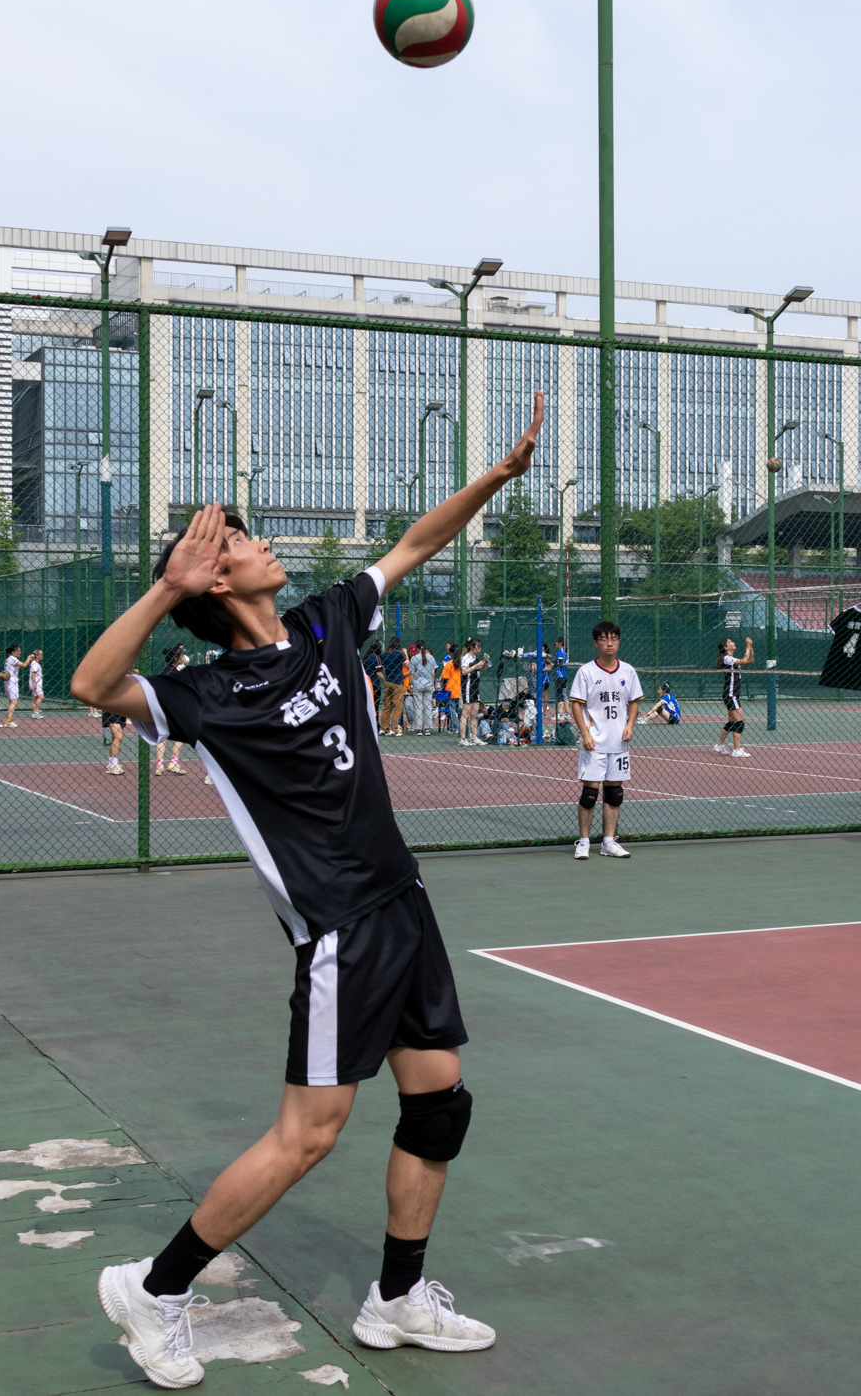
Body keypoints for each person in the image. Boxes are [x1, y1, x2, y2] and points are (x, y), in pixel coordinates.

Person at [70, 391, 544, 1389]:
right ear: (210, 578)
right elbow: (91, 685)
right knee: (309, 1134)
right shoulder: (206, 692)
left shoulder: (327, 622)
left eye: (237, 531)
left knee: (438, 1101)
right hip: (339, 930)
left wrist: (492, 483)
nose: (254, 541)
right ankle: (154, 1289)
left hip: (401, 902)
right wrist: (165, 589)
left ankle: (398, 1299)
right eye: (234, 540)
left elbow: (413, 545)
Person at [570, 621, 642, 860]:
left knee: (615, 793)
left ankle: (609, 842)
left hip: (619, 743)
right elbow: (577, 705)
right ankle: (583, 842)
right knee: (589, 794)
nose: (609, 643)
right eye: (604, 639)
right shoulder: (586, 672)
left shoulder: (628, 671)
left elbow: (634, 701)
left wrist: (630, 725)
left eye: (614, 639)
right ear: (595, 642)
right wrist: (585, 733)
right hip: (595, 743)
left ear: (619, 641)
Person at [714, 636, 753, 757]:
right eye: (730, 642)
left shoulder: (732, 658)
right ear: (726, 648)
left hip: (732, 695)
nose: (733, 642)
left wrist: (750, 646)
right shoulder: (727, 659)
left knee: (732, 722)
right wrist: (747, 646)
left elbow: (750, 660)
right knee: (739, 722)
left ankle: (719, 745)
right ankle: (736, 750)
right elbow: (744, 660)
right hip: (731, 695)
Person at [156, 643, 190, 775]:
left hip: (163, 708)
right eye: (181, 655)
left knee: (162, 736)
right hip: (175, 709)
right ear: (176, 659)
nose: (184, 657)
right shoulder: (178, 674)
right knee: (180, 735)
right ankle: (173, 763)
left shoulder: (164, 672)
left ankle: (160, 766)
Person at [459, 640, 489, 746]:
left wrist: (484, 662)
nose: (479, 649)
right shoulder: (465, 658)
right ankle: (462, 739)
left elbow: (482, 670)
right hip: (468, 687)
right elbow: (464, 672)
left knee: (474, 714)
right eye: (478, 647)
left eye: (481, 647)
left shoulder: (475, 658)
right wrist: (476, 665)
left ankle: (474, 737)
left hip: (476, 687)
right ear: (472, 647)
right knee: (465, 714)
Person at [378, 636, 407, 736]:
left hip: (388, 681)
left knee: (387, 706)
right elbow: (408, 665)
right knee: (397, 707)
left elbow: (383, 667)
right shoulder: (399, 654)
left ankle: (383, 728)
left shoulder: (384, 654)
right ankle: (394, 729)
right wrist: (406, 654)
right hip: (398, 682)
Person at [3, 644, 34, 728]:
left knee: (11, 702)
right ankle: (9, 721)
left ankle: (9, 719)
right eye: (18, 651)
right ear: (13, 652)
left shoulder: (9, 659)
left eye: (20, 651)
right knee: (14, 701)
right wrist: (28, 657)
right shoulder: (13, 658)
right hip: (12, 682)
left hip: (9, 682)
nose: (20, 652)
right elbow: (24, 665)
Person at [409, 642, 437, 735]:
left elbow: (412, 672)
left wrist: (410, 683)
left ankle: (419, 729)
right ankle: (428, 729)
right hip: (428, 684)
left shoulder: (414, 658)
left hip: (418, 685)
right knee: (428, 706)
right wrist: (432, 683)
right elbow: (433, 671)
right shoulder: (431, 657)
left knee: (418, 707)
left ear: (417, 648)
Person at [440, 643, 461, 734]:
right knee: (460, 710)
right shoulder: (462, 663)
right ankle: (463, 727)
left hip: (450, 689)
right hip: (460, 689)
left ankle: (456, 728)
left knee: (452, 709)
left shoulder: (449, 663)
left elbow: (445, 677)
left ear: (451, 653)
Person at [103, 708, 126, 775]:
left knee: (115, 738)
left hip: (121, 710)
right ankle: (113, 765)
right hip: (110, 710)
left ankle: (111, 764)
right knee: (118, 737)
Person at [553, 637, 569, 722]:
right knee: (564, 694)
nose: (555, 644)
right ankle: (567, 713)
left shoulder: (560, 652)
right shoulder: (565, 652)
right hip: (564, 675)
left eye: (556, 642)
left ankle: (560, 714)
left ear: (559, 643)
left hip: (559, 675)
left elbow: (559, 663)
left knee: (560, 695)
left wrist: (552, 663)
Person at [29, 651, 45, 718]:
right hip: (36, 683)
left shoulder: (35, 663)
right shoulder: (35, 664)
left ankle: (34, 713)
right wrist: (34, 683)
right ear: (37, 656)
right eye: (41, 655)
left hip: (36, 683)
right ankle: (36, 712)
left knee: (35, 698)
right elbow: (33, 674)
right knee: (41, 696)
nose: (42, 656)